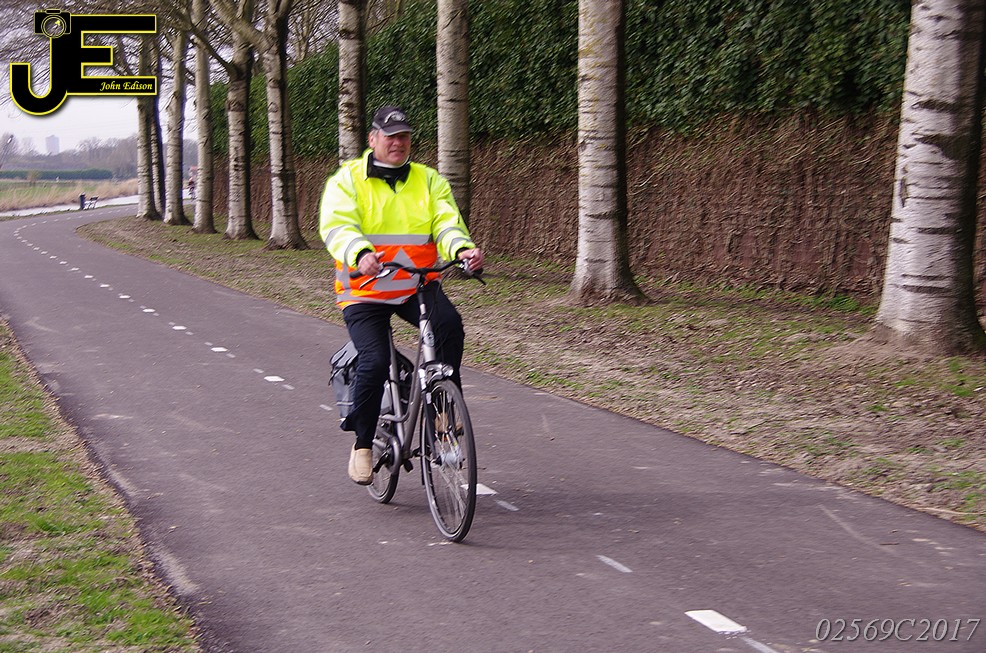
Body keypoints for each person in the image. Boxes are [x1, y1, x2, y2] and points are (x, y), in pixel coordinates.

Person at [319, 105, 484, 485]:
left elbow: (447, 222)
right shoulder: (347, 180)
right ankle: (363, 445)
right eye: (390, 136)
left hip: (415, 285)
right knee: (374, 361)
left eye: (404, 136)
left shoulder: (429, 180)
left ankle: (443, 413)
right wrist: (359, 253)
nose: (398, 143)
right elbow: (337, 226)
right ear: (373, 139)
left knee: (449, 326)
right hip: (364, 290)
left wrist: (462, 249)